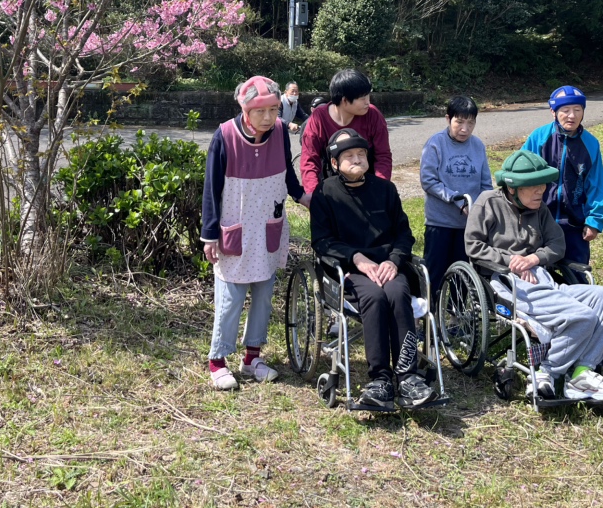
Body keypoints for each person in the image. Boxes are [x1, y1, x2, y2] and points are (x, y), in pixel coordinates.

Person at [464, 150, 603, 402]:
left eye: (543, 185)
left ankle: (583, 371)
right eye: (534, 187)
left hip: (542, 280)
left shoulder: (539, 209)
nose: (542, 191)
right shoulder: (488, 203)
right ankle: (546, 372)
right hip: (506, 282)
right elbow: (473, 246)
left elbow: (557, 244)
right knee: (583, 316)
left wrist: (533, 259)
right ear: (513, 188)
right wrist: (511, 261)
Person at [309, 129, 435, 410]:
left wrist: (394, 260)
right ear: (334, 163)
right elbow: (322, 241)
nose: (357, 160)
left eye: (361, 154)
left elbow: (404, 234)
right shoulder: (325, 193)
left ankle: (408, 377)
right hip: (350, 270)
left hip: (388, 266)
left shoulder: (385, 190)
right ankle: (380, 379)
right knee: (375, 298)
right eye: (349, 156)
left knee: (398, 293)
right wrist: (355, 258)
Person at [201, 76, 310, 390]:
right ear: (245, 110)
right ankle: (217, 361)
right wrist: (209, 234)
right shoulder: (225, 135)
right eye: (260, 110)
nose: (268, 117)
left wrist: (301, 196)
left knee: (263, 297)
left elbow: (286, 170)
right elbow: (211, 188)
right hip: (235, 227)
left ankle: (252, 358)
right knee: (230, 298)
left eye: (273, 109)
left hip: (267, 225)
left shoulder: (280, 131)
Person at [522, 85, 603, 266]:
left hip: (574, 223)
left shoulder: (590, 144)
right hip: (539, 219)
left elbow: (596, 184)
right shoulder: (539, 137)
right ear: (553, 112)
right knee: (537, 271)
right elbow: (520, 173)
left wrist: (594, 220)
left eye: (577, 110)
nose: (572, 116)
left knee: (577, 273)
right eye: (565, 110)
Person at [419, 95, 493, 296]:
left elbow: (486, 184)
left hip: (468, 225)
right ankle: (431, 310)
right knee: (435, 274)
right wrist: (456, 199)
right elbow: (428, 181)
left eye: (470, 123)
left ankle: (456, 312)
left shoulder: (478, 146)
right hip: (440, 223)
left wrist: (480, 209)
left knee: (463, 275)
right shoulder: (435, 144)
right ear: (448, 119)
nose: (464, 129)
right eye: (459, 122)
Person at [300, 69, 392, 195]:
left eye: (368, 96)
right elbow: (309, 161)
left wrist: (381, 188)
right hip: (330, 186)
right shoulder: (318, 119)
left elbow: (383, 155)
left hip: (367, 182)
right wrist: (314, 195)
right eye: (362, 98)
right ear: (344, 100)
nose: (368, 102)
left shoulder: (373, 115)